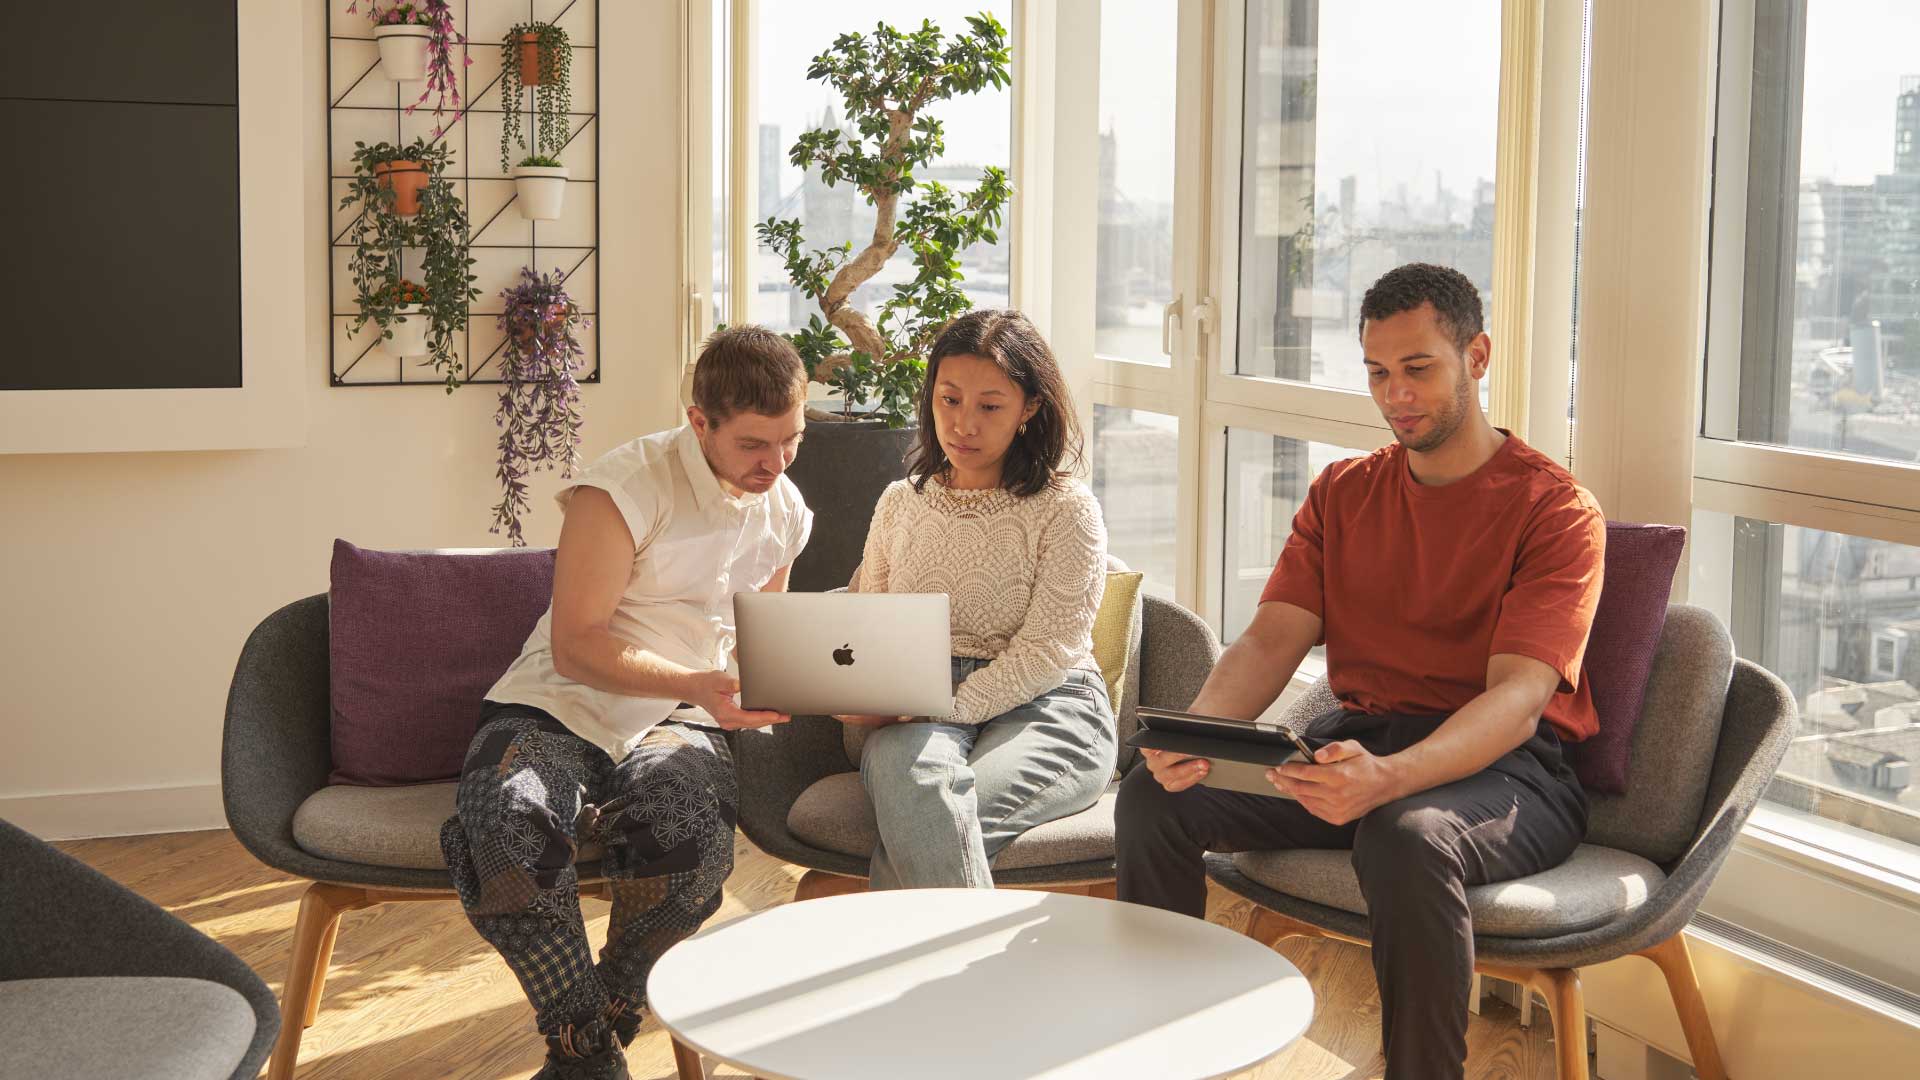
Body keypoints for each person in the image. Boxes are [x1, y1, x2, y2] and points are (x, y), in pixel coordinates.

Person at [1115, 263, 1603, 1079]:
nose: (1396, 395)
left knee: (1405, 834)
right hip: (1359, 744)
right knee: (1154, 795)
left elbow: (1519, 700)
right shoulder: (1343, 492)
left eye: (1419, 369)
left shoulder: (1554, 508)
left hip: (1510, 771)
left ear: (1477, 357)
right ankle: (1167, 1056)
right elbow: (1269, 642)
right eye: (1378, 373)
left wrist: (1391, 779)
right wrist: (1197, 736)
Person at [440, 326, 813, 1079]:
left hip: (680, 722)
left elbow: (756, 639)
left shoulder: (786, 511)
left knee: (692, 848)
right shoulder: (621, 488)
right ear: (699, 421)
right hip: (558, 703)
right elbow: (577, 645)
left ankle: (586, 1044)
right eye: (753, 445)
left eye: (792, 441)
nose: (775, 464)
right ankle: (592, 1055)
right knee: (502, 820)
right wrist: (696, 682)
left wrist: (781, 683)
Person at [840, 308, 1117, 890]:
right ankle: (970, 955)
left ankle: (893, 948)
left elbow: (1048, 652)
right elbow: (869, 624)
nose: (963, 424)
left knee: (927, 819)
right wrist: (855, 690)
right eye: (949, 400)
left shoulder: (1067, 510)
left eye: (990, 407)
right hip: (915, 705)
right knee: (920, 791)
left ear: (1030, 408)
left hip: (1050, 703)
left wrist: (941, 706)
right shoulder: (899, 503)